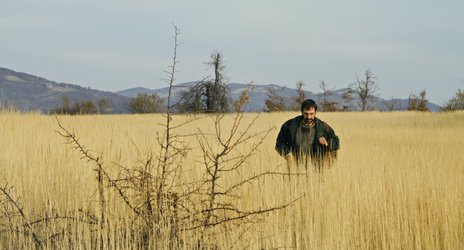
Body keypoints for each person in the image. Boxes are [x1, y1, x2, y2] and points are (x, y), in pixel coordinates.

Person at [275, 99, 339, 170]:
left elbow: (336, 142)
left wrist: (327, 143)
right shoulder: (289, 125)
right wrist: (288, 155)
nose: (309, 117)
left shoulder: (323, 127)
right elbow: (279, 143)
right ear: (302, 112)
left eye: (311, 114)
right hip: (295, 167)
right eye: (306, 114)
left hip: (317, 167)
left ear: (315, 113)